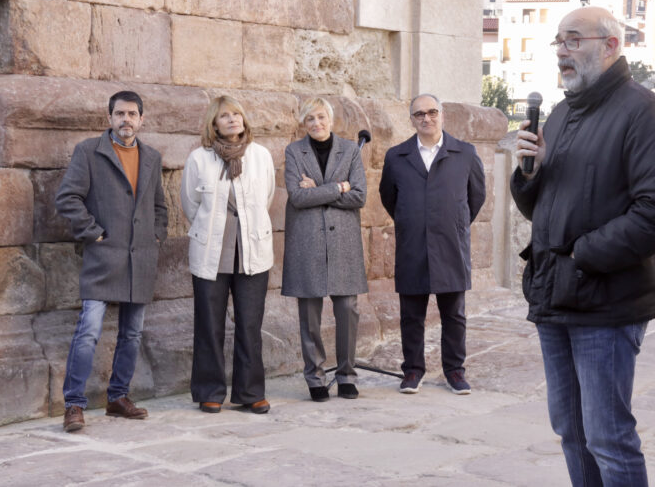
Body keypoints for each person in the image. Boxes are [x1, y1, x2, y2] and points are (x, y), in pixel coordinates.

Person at [511, 6, 655, 486]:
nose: (562, 52)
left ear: (610, 45)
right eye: (559, 42)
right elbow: (543, 210)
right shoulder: (562, 113)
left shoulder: (644, 111)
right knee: (571, 431)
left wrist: (582, 256)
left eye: (573, 40)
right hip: (554, 296)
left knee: (608, 436)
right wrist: (530, 175)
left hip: (605, 302)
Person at [56, 91, 168, 432]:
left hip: (140, 258)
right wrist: (94, 233)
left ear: (141, 119)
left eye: (132, 114)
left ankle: (118, 398)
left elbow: (159, 206)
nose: (126, 119)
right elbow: (68, 198)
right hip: (103, 257)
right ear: (110, 118)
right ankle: (74, 404)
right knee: (88, 331)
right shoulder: (89, 151)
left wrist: (156, 235)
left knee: (132, 333)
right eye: (120, 113)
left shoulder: (151, 157)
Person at [379, 93, 486, 395]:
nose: (426, 118)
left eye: (432, 112)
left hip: (450, 244)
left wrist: (453, 223)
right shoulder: (396, 156)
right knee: (411, 314)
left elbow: (475, 197)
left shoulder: (465, 153)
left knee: (454, 314)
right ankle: (413, 370)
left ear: (441, 114)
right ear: (411, 120)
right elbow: (389, 197)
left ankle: (455, 371)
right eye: (419, 114)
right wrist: (414, 221)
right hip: (412, 245)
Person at [180, 95, 275, 415]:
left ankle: (250, 392)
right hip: (212, 250)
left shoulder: (260, 156)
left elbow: (267, 197)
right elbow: (191, 204)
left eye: (237, 114)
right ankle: (209, 391)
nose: (233, 119)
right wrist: (212, 230)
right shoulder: (199, 159)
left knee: (250, 324)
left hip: (252, 250)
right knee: (209, 325)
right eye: (225, 116)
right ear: (214, 124)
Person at [281, 97, 368, 402]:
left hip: (344, 241)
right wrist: (338, 187)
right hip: (307, 241)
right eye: (310, 119)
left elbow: (359, 196)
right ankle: (315, 378)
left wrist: (317, 191)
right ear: (303, 123)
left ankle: (346, 375)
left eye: (320, 117)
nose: (316, 123)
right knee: (309, 313)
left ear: (330, 119)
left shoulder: (350, 150)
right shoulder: (294, 151)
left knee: (348, 310)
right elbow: (297, 197)